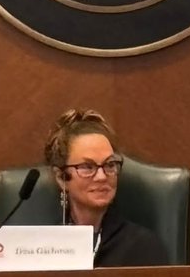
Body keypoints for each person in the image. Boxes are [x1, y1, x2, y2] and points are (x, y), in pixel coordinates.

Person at [45, 109, 168, 267]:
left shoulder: (144, 248)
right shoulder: (43, 247)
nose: (102, 176)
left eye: (109, 165)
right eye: (87, 167)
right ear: (61, 177)